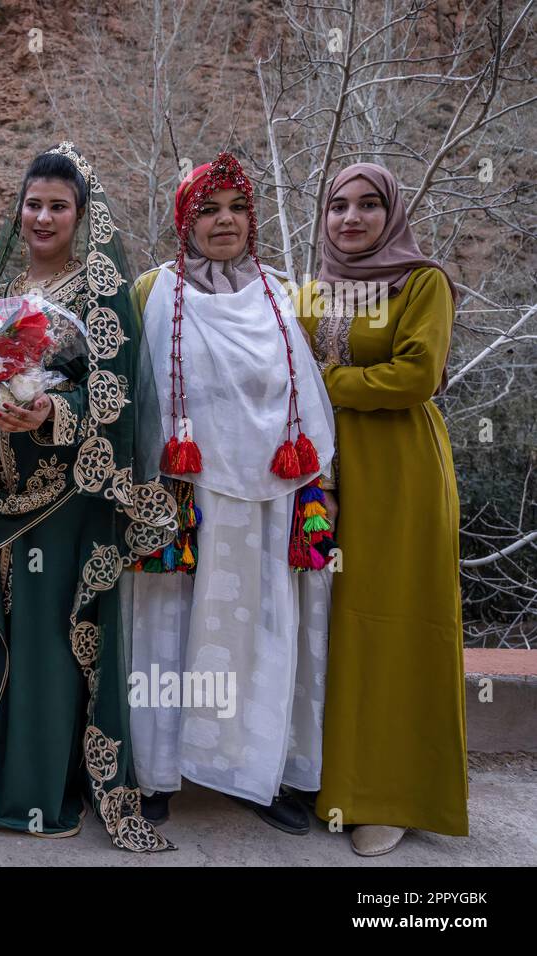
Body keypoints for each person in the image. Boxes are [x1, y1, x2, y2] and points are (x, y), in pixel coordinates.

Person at [0, 143, 179, 849]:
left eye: (58, 204)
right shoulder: (0, 290)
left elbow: (114, 393)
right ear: (18, 211)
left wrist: (52, 413)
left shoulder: (99, 290)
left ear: (80, 215)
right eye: (33, 203)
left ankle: (33, 790)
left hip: (63, 498)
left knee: (49, 645)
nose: (43, 216)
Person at [127, 153, 336, 835]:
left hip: (273, 501)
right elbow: (134, 397)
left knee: (264, 636)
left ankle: (258, 774)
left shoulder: (284, 295)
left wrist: (320, 491)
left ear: (253, 218)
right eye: (207, 210)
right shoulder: (151, 292)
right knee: (171, 633)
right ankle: (156, 772)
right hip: (185, 501)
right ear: (184, 221)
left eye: (236, 208)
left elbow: (314, 393)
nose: (224, 222)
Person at [296, 162, 468, 856]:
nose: (352, 218)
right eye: (338, 206)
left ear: (391, 213)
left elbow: (416, 374)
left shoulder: (421, 283)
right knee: (333, 625)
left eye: (369, 205)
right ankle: (332, 780)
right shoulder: (312, 292)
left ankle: (393, 796)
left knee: (395, 624)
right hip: (327, 475)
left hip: (400, 474)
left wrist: (329, 382)